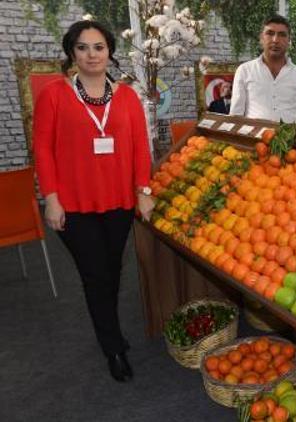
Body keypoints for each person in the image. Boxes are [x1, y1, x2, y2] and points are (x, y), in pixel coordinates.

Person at [33, 20, 153, 382]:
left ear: (109, 52)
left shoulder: (128, 97)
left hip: (117, 202)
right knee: (95, 274)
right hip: (73, 204)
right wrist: (50, 199)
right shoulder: (54, 94)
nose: (91, 54)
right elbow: (42, 148)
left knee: (111, 271)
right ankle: (113, 348)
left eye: (98, 47)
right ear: (72, 53)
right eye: (83, 47)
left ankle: (109, 328)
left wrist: (143, 191)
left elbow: (139, 148)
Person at [230, 14, 296, 126]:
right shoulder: (244, 71)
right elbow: (235, 116)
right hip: (254, 140)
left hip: (291, 141)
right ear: (261, 38)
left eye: (282, 35)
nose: (275, 40)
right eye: (270, 33)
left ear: (289, 40)